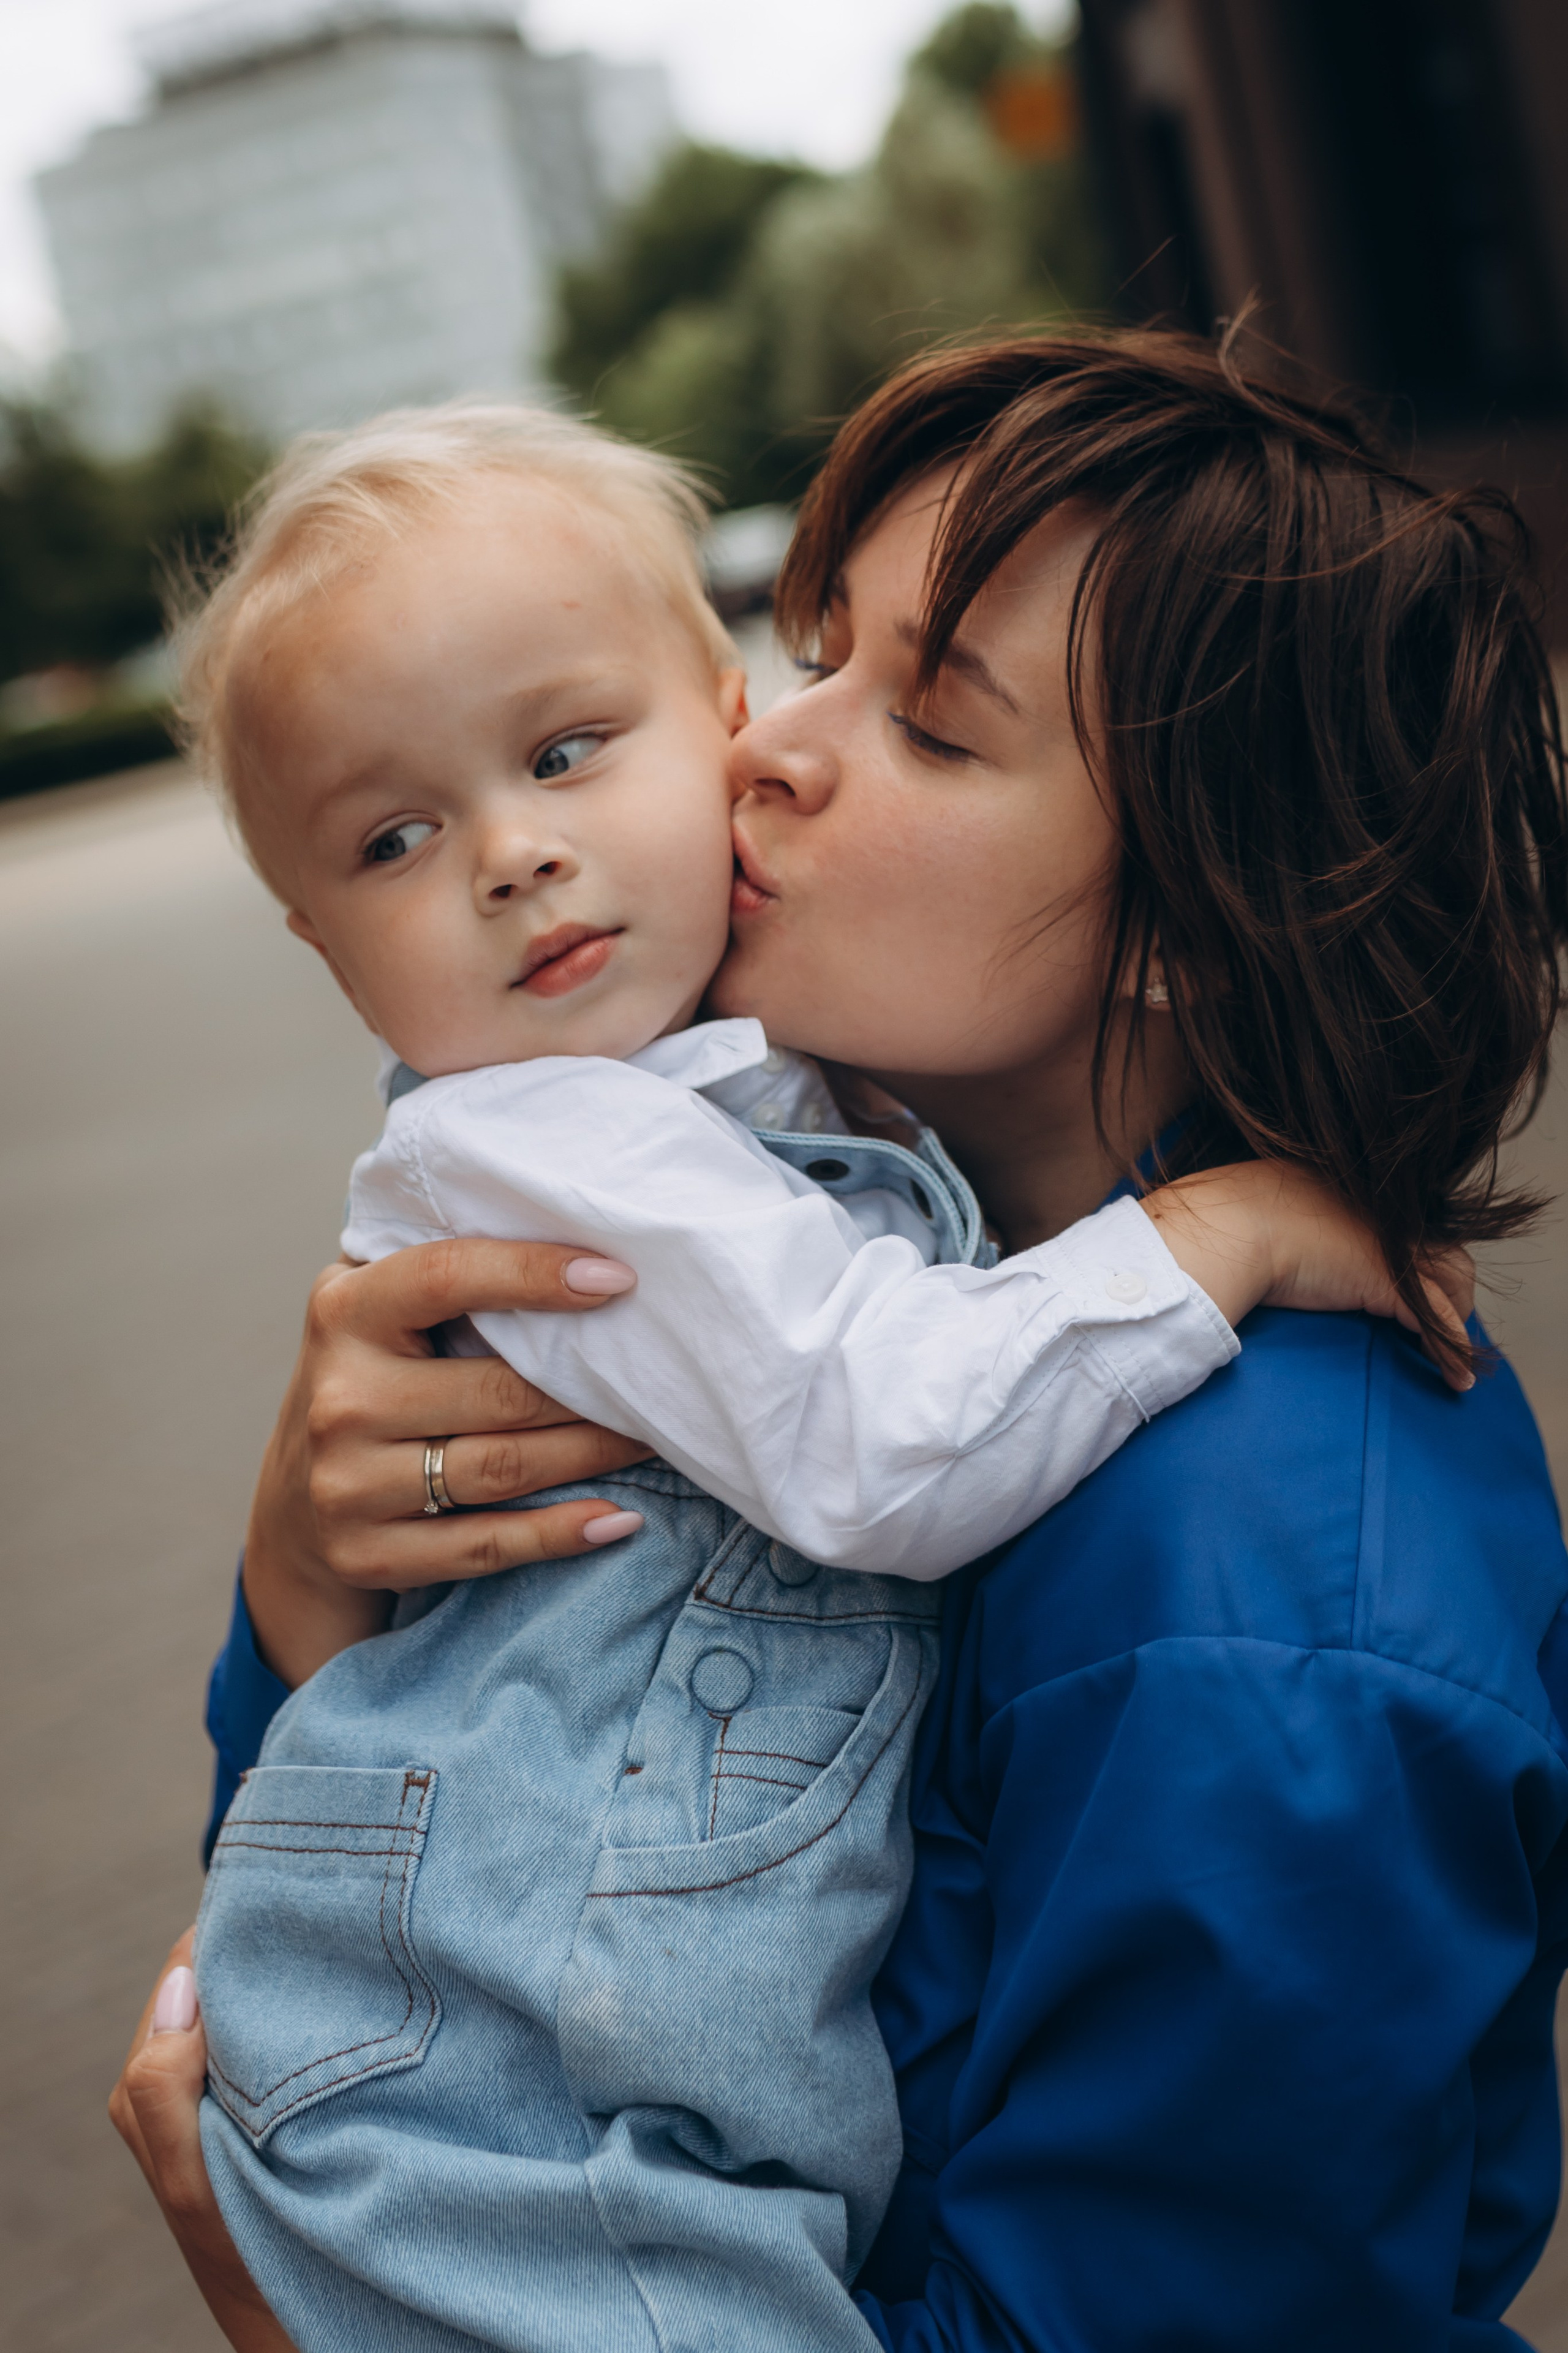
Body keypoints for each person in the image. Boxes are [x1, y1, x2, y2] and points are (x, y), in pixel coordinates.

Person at [115, 327, 1568, 2353]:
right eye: (815, 649)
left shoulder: (1247, 1606)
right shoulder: (784, 1199)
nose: (770, 746)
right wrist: (307, 1597)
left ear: (1177, 910)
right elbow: (502, 1881)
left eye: (932, 726)